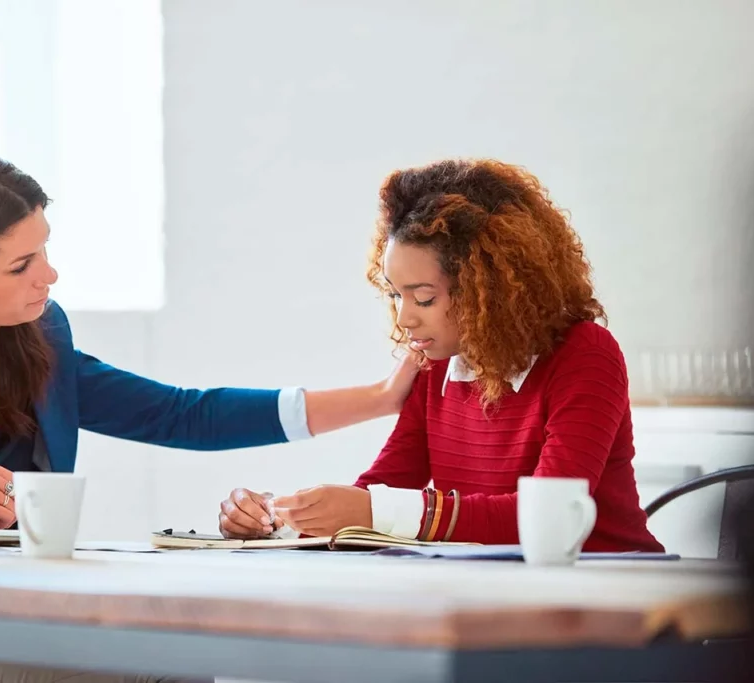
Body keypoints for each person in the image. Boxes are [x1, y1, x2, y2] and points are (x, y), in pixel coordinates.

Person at [0, 151, 423, 683]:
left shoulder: (39, 338)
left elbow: (182, 414)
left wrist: (379, 398)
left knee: (176, 653)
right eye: (22, 263)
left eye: (46, 249)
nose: (49, 275)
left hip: (6, 628)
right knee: (146, 664)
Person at [218, 159, 664, 554]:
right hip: (500, 598)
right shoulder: (434, 368)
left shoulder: (585, 354)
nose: (405, 318)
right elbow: (382, 492)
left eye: (424, 298)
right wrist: (279, 519)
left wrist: (375, 510)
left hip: (614, 593)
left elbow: (548, 514)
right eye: (395, 295)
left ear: (486, 289)